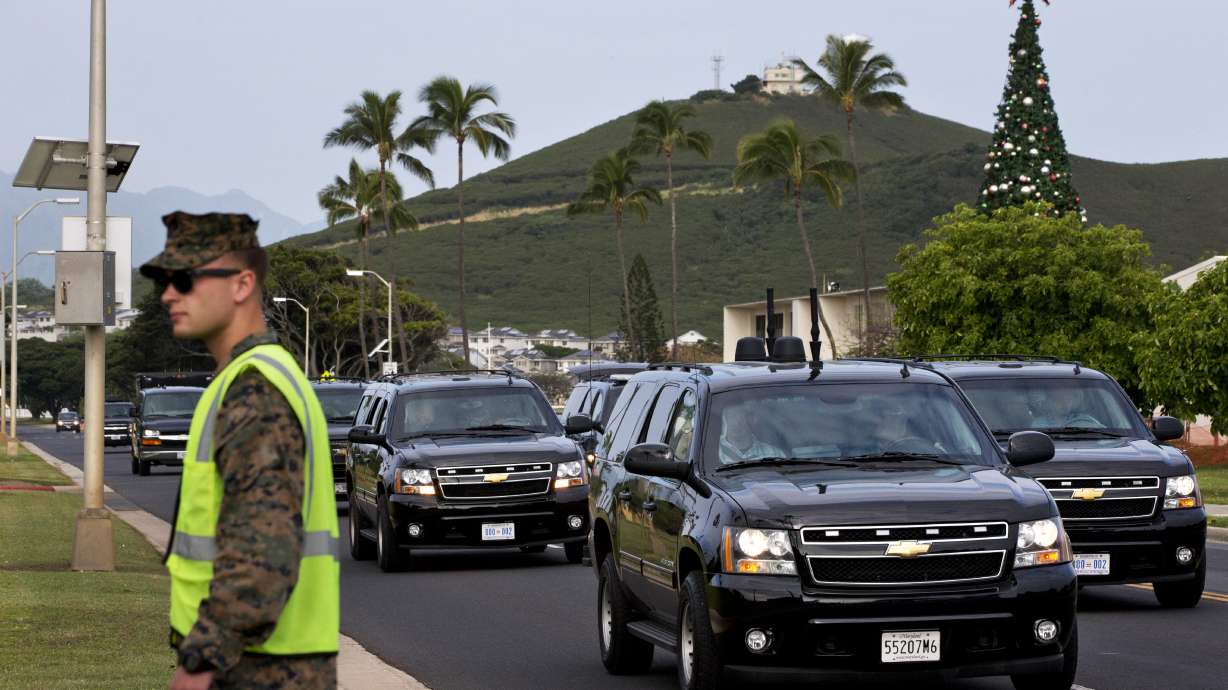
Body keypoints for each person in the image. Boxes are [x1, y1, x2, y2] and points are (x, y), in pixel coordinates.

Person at [140, 212, 339, 690]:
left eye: (184, 279)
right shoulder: (252, 376)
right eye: (165, 280)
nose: (169, 293)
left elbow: (261, 556)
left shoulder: (256, 391)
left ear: (242, 284)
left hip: (258, 671)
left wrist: (198, 665)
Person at [718, 406, 785, 465]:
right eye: (732, 416)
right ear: (724, 420)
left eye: (742, 417)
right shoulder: (713, 452)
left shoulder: (774, 454)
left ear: (753, 420)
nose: (736, 423)